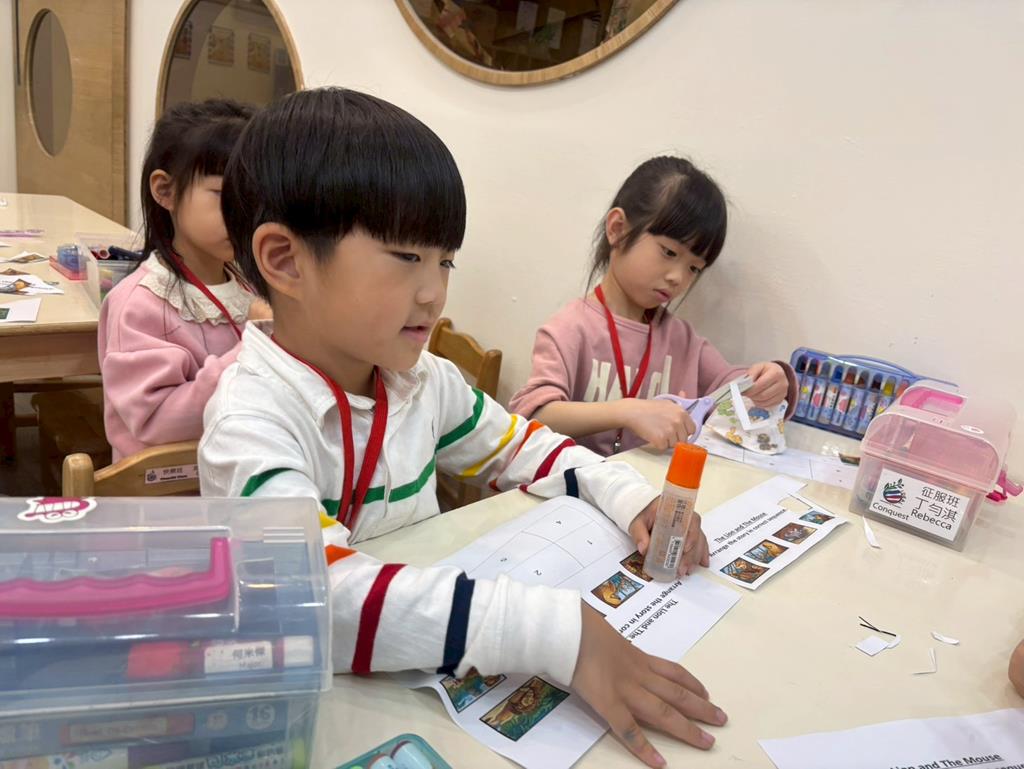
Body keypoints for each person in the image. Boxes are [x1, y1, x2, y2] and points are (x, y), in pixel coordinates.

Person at [201, 88, 723, 766]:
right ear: (285, 260)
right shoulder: (248, 419)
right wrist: (554, 633)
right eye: (406, 257)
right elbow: (313, 598)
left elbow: (527, 447)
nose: (435, 292)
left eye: (445, 260)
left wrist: (631, 497)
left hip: (416, 701)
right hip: (315, 722)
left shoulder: (422, 381)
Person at [509, 156, 796, 456]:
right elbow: (534, 415)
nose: (678, 278)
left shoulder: (682, 341)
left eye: (694, 268)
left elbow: (733, 389)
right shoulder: (571, 328)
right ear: (617, 229)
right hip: (574, 482)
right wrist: (627, 411)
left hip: (651, 485)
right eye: (669, 252)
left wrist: (772, 381)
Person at [99, 99, 269, 460]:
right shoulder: (140, 303)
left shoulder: (250, 287)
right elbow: (157, 422)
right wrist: (254, 346)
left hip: (241, 468)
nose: (246, 215)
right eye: (225, 196)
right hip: (169, 485)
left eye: (256, 198)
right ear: (166, 191)